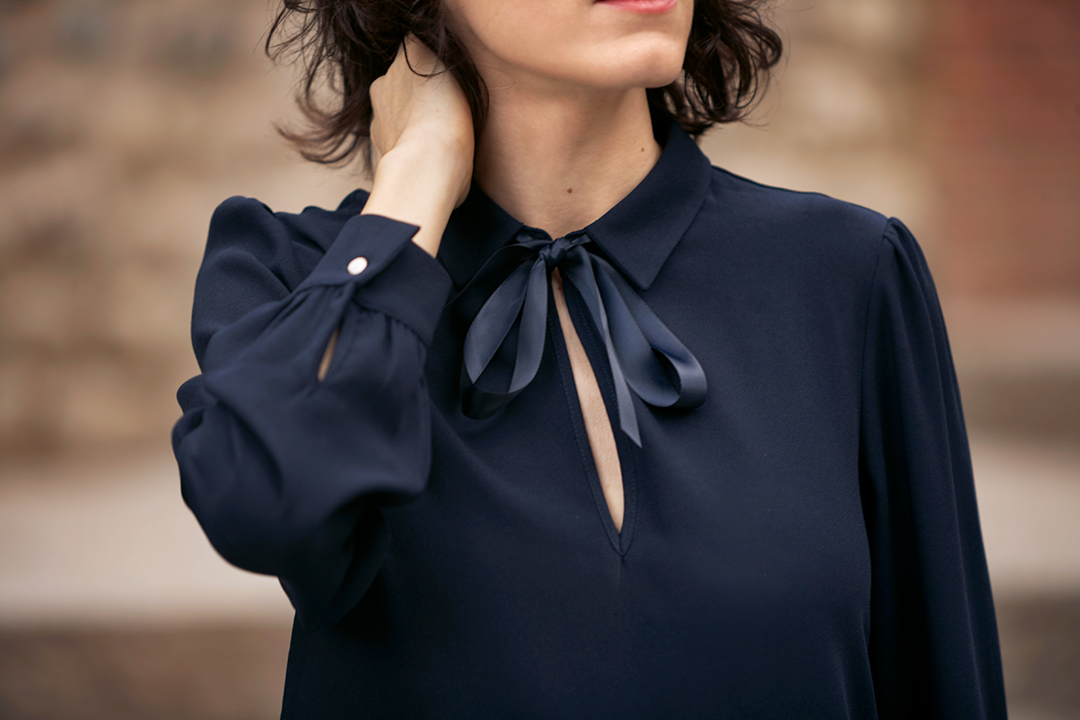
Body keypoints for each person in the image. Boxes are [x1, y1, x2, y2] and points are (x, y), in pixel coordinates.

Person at [171, 0, 1008, 716]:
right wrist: (416, 178)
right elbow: (264, 504)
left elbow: (943, 682)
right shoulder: (291, 280)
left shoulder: (846, 275)